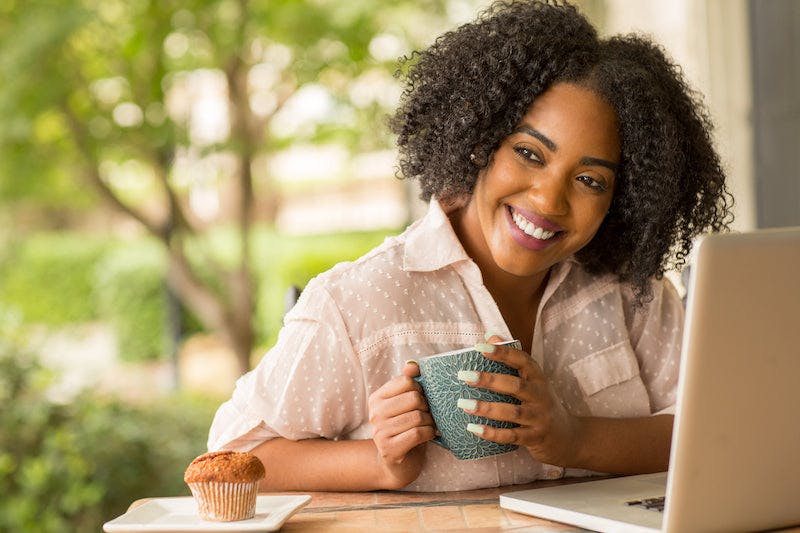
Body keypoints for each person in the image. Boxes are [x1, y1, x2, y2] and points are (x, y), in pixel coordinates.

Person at [207, 0, 732, 492]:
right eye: (529, 153)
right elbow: (232, 458)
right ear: (481, 138)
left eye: (591, 180)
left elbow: (715, 431)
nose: (548, 200)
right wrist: (380, 463)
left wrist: (575, 440)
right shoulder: (360, 302)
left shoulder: (629, 293)